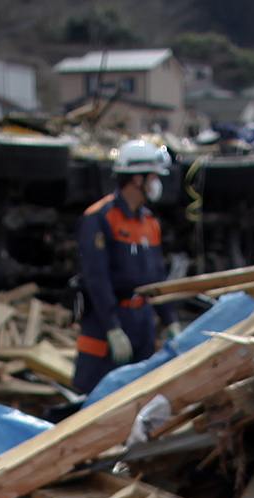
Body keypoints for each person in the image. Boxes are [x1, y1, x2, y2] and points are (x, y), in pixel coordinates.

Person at [73, 139, 171, 397]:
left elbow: (158, 277)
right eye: (152, 176)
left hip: (141, 322)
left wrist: (169, 319)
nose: (157, 183)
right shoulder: (100, 218)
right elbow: (96, 277)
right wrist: (112, 327)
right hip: (106, 321)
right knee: (96, 397)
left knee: (139, 395)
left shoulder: (149, 222)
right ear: (137, 179)